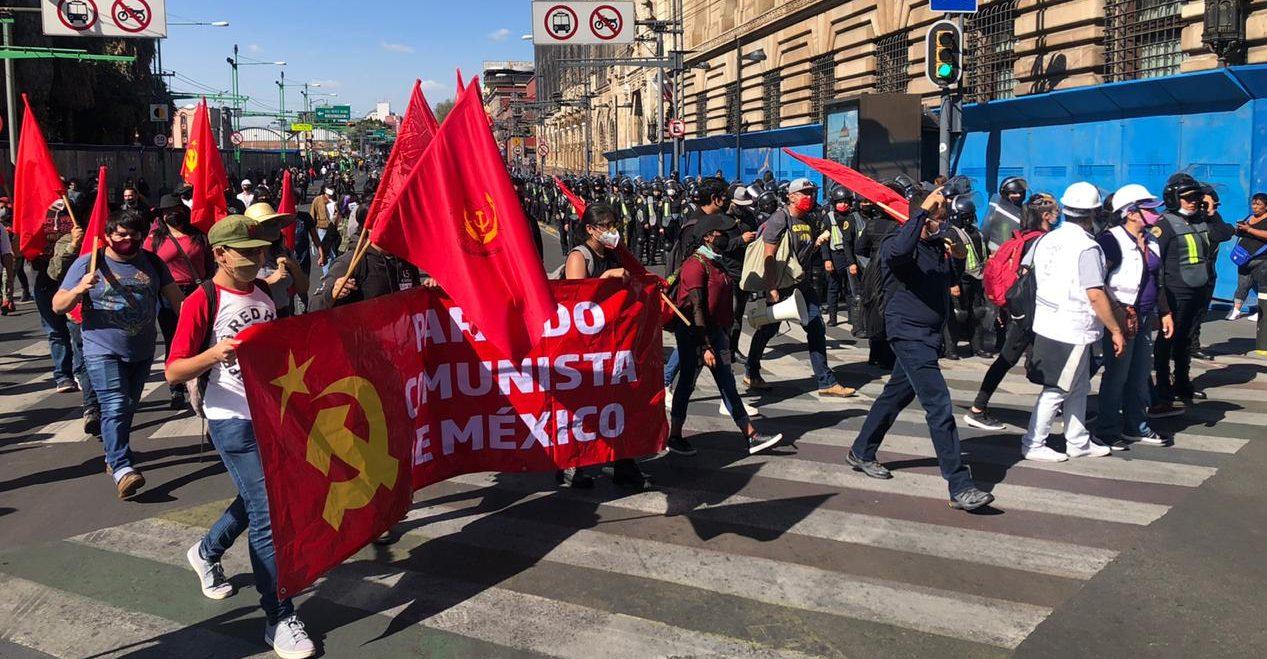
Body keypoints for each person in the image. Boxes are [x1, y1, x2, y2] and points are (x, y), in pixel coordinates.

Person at [164, 215, 315, 659]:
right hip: (231, 418)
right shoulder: (201, 301)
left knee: (257, 500)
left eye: (260, 251)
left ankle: (207, 551)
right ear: (220, 254)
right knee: (268, 508)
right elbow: (173, 370)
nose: (256, 260)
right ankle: (278, 615)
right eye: (246, 254)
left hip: (271, 415)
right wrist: (214, 353)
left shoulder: (266, 293)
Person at [845, 185, 996, 512]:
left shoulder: (935, 246)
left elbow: (942, 283)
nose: (941, 224)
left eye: (942, 218)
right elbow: (899, 254)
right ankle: (960, 485)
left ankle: (861, 450)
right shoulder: (895, 244)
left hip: (927, 335)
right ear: (920, 217)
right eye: (936, 219)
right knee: (939, 406)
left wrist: (955, 261)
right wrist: (922, 212)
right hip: (908, 334)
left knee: (896, 395)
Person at [52, 209, 184, 498]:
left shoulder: (152, 263)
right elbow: (58, 305)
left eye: (134, 234)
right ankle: (123, 467)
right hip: (101, 349)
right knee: (114, 405)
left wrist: (194, 330)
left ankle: (113, 454)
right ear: (109, 235)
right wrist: (79, 289)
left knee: (128, 406)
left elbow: (177, 302)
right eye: (121, 234)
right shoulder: (88, 264)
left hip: (142, 349)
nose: (127, 239)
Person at [1021, 183, 1125, 463]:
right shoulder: (1086, 247)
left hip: (1049, 321)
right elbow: (1095, 293)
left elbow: (1027, 269)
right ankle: (1033, 443)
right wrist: (1116, 329)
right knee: (1056, 389)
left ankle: (1078, 441)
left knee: (1077, 386)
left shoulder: (1047, 239)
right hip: (1071, 326)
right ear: (1093, 214)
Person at [666, 214, 783, 456]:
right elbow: (697, 307)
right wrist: (705, 346)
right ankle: (675, 436)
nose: (726, 237)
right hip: (695, 336)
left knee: (727, 384)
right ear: (709, 237)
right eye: (722, 233)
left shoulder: (716, 262)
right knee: (686, 384)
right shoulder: (695, 265)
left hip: (716, 334)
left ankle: (751, 435)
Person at [561, 203, 648, 491]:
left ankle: (624, 464)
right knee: (583, 406)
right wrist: (604, 279)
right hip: (580, 349)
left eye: (614, 225)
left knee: (618, 404)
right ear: (589, 229)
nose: (612, 231)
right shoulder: (580, 256)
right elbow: (576, 303)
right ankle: (573, 463)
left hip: (610, 344)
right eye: (606, 226)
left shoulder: (612, 254)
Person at [746, 178, 856, 398]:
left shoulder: (808, 220)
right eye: (805, 193)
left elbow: (802, 256)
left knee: (816, 328)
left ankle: (826, 381)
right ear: (792, 196)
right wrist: (771, 288)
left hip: (802, 285)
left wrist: (817, 244)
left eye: (812, 193)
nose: (810, 197)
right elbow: (769, 256)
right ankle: (752, 371)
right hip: (782, 285)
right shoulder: (780, 219)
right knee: (768, 328)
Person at [963, 193, 1059, 430]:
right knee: (1007, 359)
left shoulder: (1024, 237)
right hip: (1032, 312)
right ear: (1046, 216)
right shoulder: (1043, 241)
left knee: (1029, 359)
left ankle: (1059, 404)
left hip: (1021, 309)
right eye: (1056, 212)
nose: (1059, 216)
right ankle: (978, 408)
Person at [1095, 184, 1175, 448]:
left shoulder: (1152, 240)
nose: (1155, 213)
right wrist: (1116, 313)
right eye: (1148, 208)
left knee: (1140, 374)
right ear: (1130, 212)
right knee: (1117, 375)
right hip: (1120, 317)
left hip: (1144, 316)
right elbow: (1097, 282)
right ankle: (1106, 430)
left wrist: (1164, 312)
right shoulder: (1110, 240)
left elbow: (1156, 279)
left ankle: (1136, 426)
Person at [1152, 173, 1235, 405]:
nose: (1193, 201)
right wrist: (1162, 300)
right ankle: (1163, 384)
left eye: (1196, 197)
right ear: (1173, 198)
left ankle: (1182, 382)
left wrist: (1210, 213)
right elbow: (1155, 265)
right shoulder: (1164, 225)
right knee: (1167, 340)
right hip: (1175, 292)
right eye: (1187, 197)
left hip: (1199, 290)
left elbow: (1221, 234)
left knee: (1186, 339)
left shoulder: (1201, 221)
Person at [146, 194, 214, 409]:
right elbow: (147, 266)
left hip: (198, 291)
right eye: (166, 212)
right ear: (161, 216)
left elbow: (210, 264)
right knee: (174, 340)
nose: (171, 215)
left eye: (175, 210)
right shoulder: (155, 239)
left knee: (201, 338)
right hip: (168, 294)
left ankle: (201, 382)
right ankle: (176, 389)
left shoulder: (199, 235)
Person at [45, 214, 100, 435]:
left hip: (110, 316)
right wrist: (75, 245)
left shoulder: (112, 244)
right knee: (83, 361)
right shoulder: (65, 241)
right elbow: (54, 271)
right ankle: (91, 408)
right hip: (78, 312)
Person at [33, 201, 79, 392]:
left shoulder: (73, 209)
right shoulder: (34, 214)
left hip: (71, 278)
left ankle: (80, 371)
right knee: (54, 330)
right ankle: (63, 375)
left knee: (75, 328)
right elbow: (24, 243)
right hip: (45, 278)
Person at [246, 203, 307, 318]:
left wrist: (292, 265)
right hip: (256, 318)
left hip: (282, 314)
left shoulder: (284, 252)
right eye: (269, 223)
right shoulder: (245, 258)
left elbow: (303, 288)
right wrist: (269, 282)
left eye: (276, 222)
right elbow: (237, 293)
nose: (276, 226)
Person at [1229, 192, 1267, 321]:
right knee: (1242, 285)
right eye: (1253, 203)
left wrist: (1249, 229)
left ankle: (1262, 313)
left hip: (1261, 259)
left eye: (1258, 204)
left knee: (1263, 286)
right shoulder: (1249, 217)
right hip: (1244, 257)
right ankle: (1236, 310)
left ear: (1266, 207)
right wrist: (1239, 229)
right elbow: (1242, 233)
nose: (1255, 207)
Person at [984, 176, 1028, 251]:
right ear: (1005, 194)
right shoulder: (998, 212)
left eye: (1021, 192)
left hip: (1021, 249)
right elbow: (986, 233)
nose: (1018, 195)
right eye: (1013, 193)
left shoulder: (1026, 210)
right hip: (1002, 251)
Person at [310, 185, 340, 275]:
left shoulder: (335, 200)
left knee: (334, 252)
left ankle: (333, 273)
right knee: (326, 253)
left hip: (334, 229)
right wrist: (312, 232)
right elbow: (312, 216)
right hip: (322, 229)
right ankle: (327, 275)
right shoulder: (318, 200)